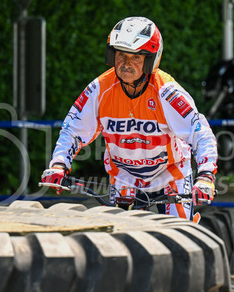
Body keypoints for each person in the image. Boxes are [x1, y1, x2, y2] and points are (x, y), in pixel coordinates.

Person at [41, 16, 218, 220]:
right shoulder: (99, 89)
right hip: (124, 178)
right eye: (121, 55)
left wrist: (205, 176)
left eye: (136, 57)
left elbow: (200, 132)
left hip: (171, 176)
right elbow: (72, 130)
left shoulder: (167, 92)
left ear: (151, 60)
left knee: (179, 232)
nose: (126, 64)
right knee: (119, 234)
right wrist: (59, 165)